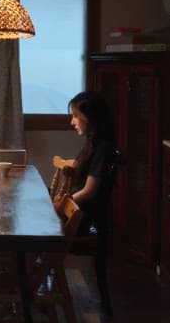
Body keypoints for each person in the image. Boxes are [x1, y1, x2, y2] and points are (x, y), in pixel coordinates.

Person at [68, 91, 117, 239]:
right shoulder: (91, 143)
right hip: (82, 214)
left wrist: (65, 205)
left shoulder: (103, 149)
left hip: (86, 221)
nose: (72, 122)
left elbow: (88, 192)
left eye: (76, 116)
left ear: (90, 117)